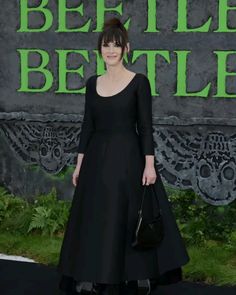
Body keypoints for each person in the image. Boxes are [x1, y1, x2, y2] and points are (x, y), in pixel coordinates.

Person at [57, 17, 190, 295]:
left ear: (126, 48)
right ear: (100, 50)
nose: (111, 50)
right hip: (96, 161)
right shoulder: (92, 83)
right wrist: (79, 164)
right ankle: (91, 276)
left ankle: (137, 275)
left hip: (130, 160)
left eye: (116, 45)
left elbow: (146, 127)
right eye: (106, 45)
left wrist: (150, 165)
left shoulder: (139, 82)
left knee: (130, 218)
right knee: (96, 218)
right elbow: (87, 125)